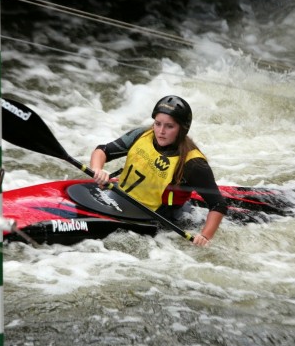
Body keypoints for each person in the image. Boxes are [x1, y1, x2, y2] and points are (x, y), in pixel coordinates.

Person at [90, 95, 227, 247]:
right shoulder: (142, 135)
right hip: (122, 199)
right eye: (157, 124)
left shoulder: (193, 163)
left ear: (182, 129)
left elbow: (218, 205)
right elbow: (103, 150)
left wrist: (205, 236)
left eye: (169, 126)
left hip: (163, 218)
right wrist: (98, 169)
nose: (161, 131)